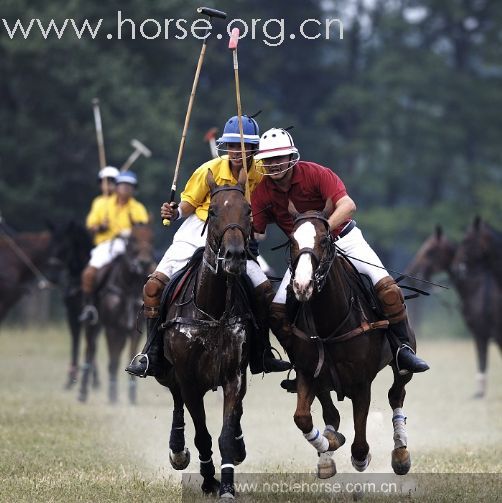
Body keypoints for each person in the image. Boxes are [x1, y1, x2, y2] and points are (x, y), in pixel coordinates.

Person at [250, 128, 430, 388]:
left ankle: (403, 351)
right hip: (304, 254)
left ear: (292, 157)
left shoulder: (316, 173)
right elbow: (258, 233)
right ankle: (301, 364)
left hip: (343, 238)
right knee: (277, 312)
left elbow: (347, 205)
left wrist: (323, 233)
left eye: (280, 157)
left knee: (386, 287)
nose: (274, 164)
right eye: (269, 160)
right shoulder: (263, 191)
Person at [126, 116, 290, 378]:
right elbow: (187, 206)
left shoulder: (261, 172)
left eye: (243, 146)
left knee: (264, 291)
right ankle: (152, 351)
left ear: (253, 148)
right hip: (198, 231)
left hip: (234, 237)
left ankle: (262, 351)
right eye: (232, 146)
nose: (237, 152)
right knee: (153, 286)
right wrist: (174, 211)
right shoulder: (209, 169)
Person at [79, 170, 149, 324]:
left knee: (153, 271)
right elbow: (91, 226)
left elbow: (143, 229)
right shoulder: (101, 203)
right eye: (123, 185)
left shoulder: (138, 208)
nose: (126, 188)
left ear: (134, 189)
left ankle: (151, 307)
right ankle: (89, 307)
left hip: (130, 246)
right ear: (116, 187)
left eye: (129, 186)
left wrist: (131, 232)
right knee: (89, 274)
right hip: (105, 244)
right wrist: (100, 227)